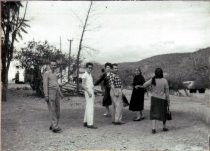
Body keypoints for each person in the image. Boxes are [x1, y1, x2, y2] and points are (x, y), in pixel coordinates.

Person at [142, 68, 170, 134]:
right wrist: (168, 101)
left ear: (155, 73)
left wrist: (150, 89)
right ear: (162, 73)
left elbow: (144, 85)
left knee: (153, 113)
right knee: (163, 113)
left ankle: (153, 129)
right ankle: (164, 127)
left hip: (154, 98)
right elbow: (167, 92)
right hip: (163, 99)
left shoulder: (153, 79)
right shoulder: (165, 81)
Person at [43, 60, 63, 133]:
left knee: (58, 110)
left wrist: (60, 93)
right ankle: (55, 127)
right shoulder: (46, 73)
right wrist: (46, 95)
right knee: (52, 110)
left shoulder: (56, 74)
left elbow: (56, 84)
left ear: (56, 66)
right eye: (52, 65)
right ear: (49, 65)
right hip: (50, 92)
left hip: (56, 92)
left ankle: (53, 124)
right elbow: (45, 85)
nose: (53, 66)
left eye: (55, 65)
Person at [82, 62, 97, 129]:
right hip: (88, 92)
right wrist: (88, 92)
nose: (90, 69)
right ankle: (90, 124)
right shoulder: (85, 75)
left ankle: (85, 122)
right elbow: (82, 85)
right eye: (89, 68)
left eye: (91, 68)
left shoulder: (89, 75)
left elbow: (90, 84)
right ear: (86, 68)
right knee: (90, 107)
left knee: (88, 106)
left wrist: (93, 89)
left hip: (91, 91)